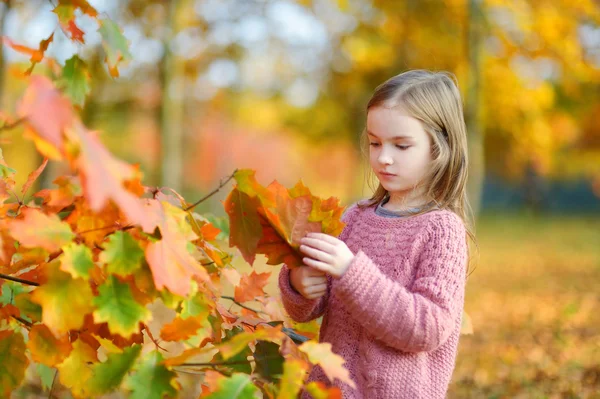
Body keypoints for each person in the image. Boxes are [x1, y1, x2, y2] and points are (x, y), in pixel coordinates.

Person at [278, 69, 477, 398]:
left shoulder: (442, 229)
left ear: (439, 148)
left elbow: (428, 327)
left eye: (401, 145)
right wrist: (300, 285)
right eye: (374, 142)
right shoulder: (354, 217)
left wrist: (351, 271)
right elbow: (307, 310)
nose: (384, 157)